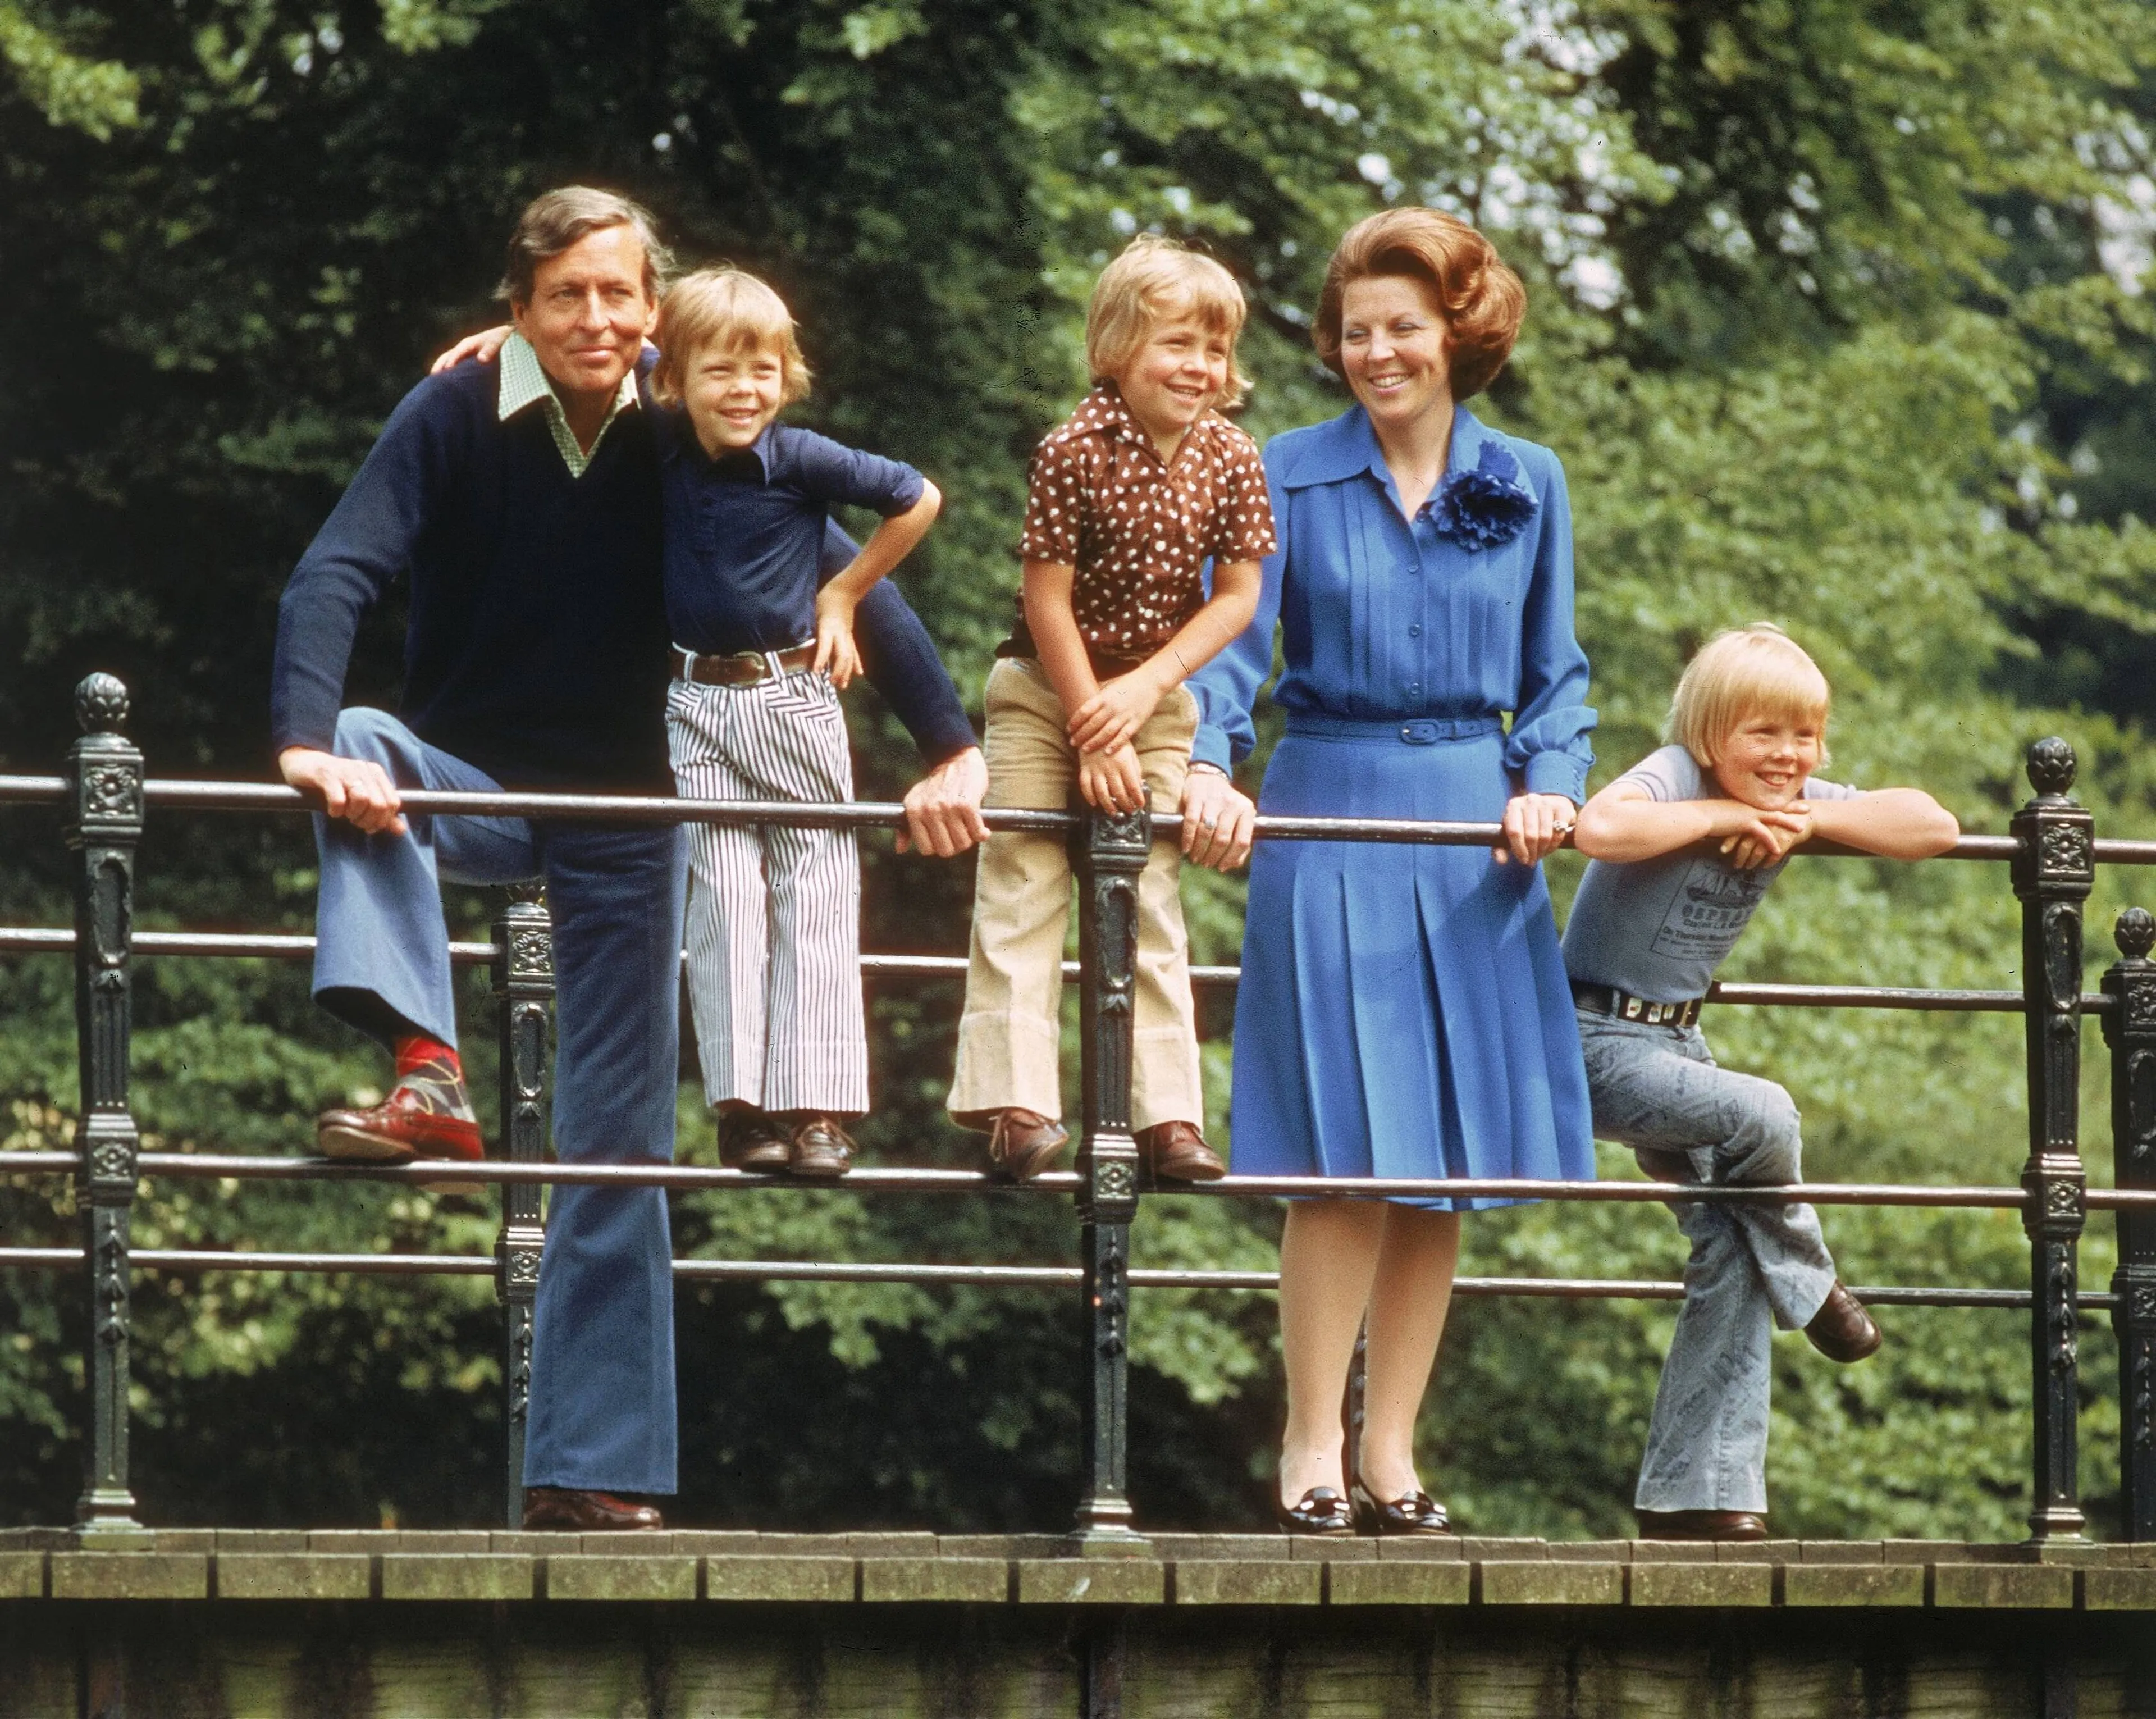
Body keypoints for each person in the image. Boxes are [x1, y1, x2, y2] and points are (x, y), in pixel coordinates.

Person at [272, 187, 986, 1534]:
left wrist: (950, 743)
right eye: (565, 297)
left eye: (619, 295)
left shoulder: (687, 432)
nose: (595, 318)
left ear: (652, 308)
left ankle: (589, 1470)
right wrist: (309, 739)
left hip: (640, 820)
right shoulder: (454, 414)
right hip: (476, 783)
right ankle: (427, 1067)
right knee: (368, 735)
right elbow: (334, 575)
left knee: (617, 1145)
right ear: (519, 310)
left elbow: (843, 571)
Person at [1181, 207, 1596, 1535]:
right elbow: (1226, 648)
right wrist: (1203, 763)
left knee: (1441, 1161)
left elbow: (1558, 677)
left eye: (1403, 328)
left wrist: (1552, 784)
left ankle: (1391, 1455)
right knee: (1343, 1156)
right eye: (1356, 332)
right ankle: (1307, 1444)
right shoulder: (1281, 472)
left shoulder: (1527, 477)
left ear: (1458, 332)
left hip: (1475, 830)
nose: (1376, 353)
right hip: (1332, 806)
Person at [1564, 623, 1958, 1542]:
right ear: (1709, 735)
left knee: (1735, 1252)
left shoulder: (1793, 793)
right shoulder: (1675, 774)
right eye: (1764, 736)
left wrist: (1812, 819)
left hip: (1679, 1048)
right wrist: (1723, 818)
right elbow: (1600, 827)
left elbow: (1933, 826)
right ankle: (1817, 1286)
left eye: (1805, 738)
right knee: (1766, 1110)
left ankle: (1699, 1493)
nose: (1789, 757)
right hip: (1589, 1038)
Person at [945, 235, 1275, 1183]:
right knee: (1023, 876)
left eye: (1214, 351)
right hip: (1049, 691)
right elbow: (1046, 598)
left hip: (1154, 695)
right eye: (1177, 345)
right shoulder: (1073, 449)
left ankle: (1165, 1116)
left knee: (1152, 890)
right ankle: (1016, 1106)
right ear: (1117, 348)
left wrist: (1143, 692)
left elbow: (1239, 596)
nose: (1199, 369)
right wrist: (1093, 718)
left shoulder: (1230, 456)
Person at [652, 267, 941, 1179]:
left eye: (763, 372)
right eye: (720, 373)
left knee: (814, 890)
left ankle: (818, 1111)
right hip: (695, 700)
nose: (744, 391)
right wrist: (498, 344)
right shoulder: (654, 447)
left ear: (788, 376)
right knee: (724, 894)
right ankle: (746, 1112)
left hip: (790, 695)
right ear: (677, 383)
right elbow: (609, 355)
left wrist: (845, 594)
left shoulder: (802, 457)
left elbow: (917, 497)